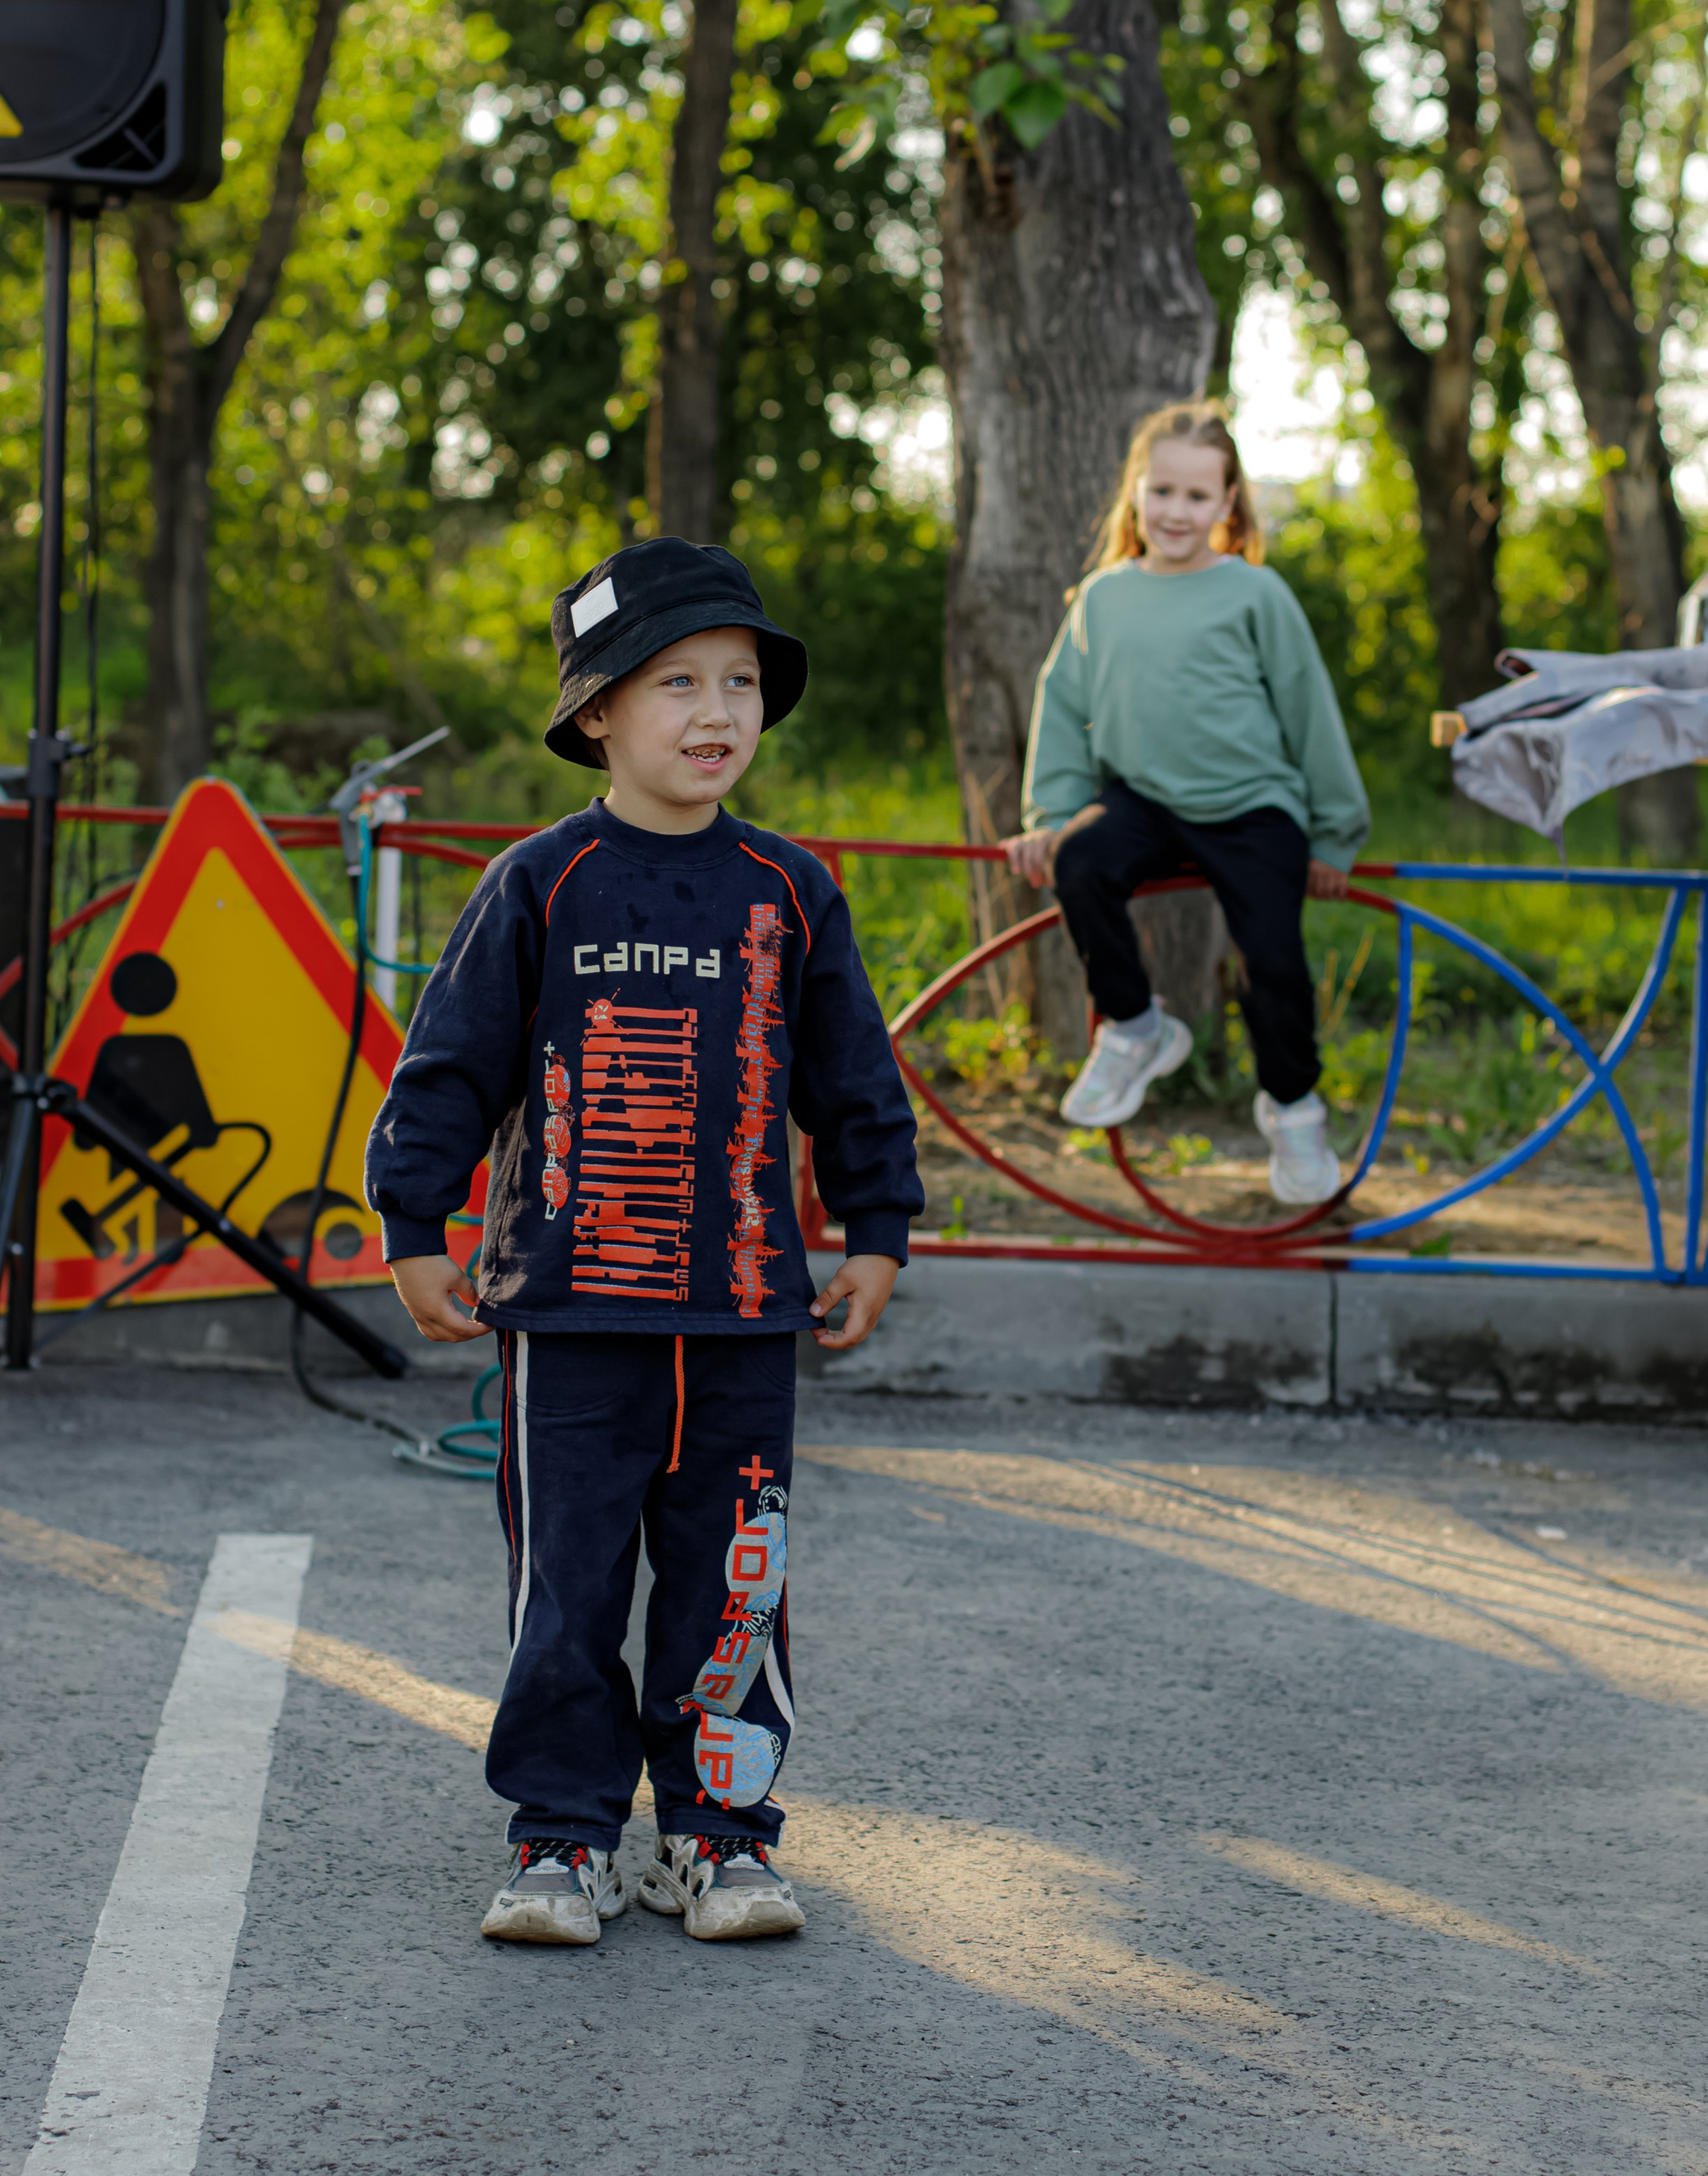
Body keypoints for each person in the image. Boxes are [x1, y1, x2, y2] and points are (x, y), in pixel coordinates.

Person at [366, 537, 921, 1949]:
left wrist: (875, 1230)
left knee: (736, 1580)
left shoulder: (792, 891)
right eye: (676, 681)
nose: (716, 711)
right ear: (598, 713)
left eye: (738, 681)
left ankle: (717, 1840)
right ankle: (561, 1840)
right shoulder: (540, 883)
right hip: (570, 1314)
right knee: (569, 1587)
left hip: (741, 1314)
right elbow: (449, 1067)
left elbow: (854, 1079)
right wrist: (413, 1221)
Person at [1004, 402, 1369, 1208]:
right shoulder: (1103, 597)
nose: (1176, 511)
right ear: (1134, 493)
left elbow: (1310, 712)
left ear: (1229, 504)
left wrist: (1336, 836)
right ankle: (1136, 1028)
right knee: (1082, 863)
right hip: (1143, 800)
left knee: (1271, 961)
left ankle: (1294, 1107)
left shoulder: (1255, 594)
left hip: (1251, 807)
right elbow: (1061, 708)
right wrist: (1052, 818)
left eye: (1197, 497)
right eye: (1161, 490)